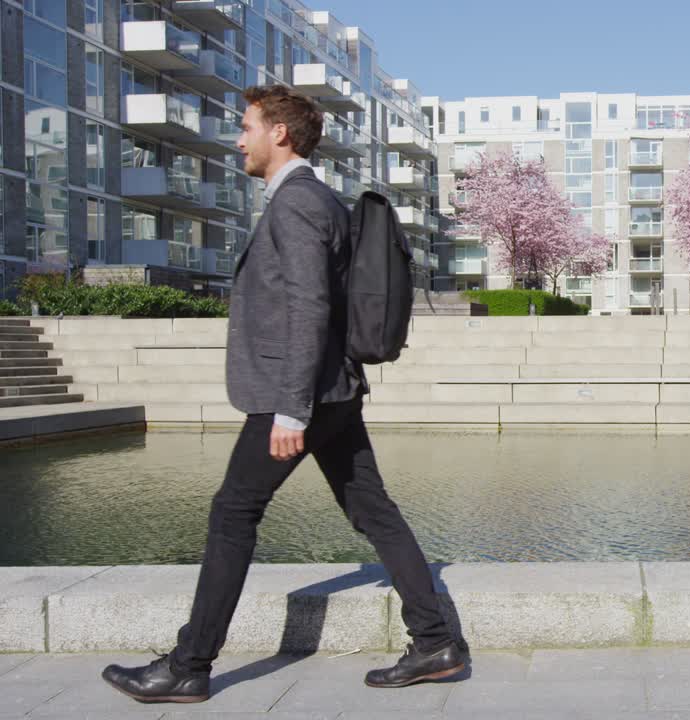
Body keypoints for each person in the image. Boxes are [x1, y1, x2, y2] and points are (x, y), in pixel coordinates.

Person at [102, 85, 467, 704]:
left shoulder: (297, 203)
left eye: (246, 127)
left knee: (233, 513)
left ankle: (191, 665)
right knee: (371, 509)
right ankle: (435, 642)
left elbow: (309, 307)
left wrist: (291, 407)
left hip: (303, 392)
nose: (238, 138)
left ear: (280, 134)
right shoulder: (312, 199)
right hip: (333, 389)